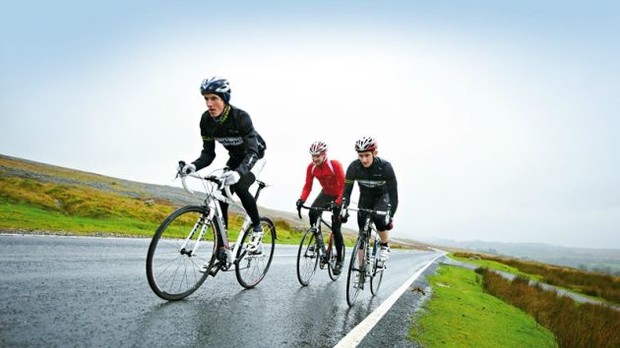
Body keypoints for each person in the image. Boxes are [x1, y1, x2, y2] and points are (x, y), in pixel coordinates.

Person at [179, 76, 267, 267]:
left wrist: (239, 173)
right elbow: (208, 154)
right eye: (206, 99)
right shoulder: (206, 121)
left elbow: (252, 151)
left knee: (240, 186)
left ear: (224, 99)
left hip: (256, 157)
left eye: (214, 98)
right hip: (235, 159)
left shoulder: (241, 117)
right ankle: (222, 249)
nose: (209, 104)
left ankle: (257, 228)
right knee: (219, 198)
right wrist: (193, 166)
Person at [340, 136, 398, 263]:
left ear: (375, 153)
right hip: (365, 198)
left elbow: (394, 196)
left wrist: (390, 215)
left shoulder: (385, 167)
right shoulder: (354, 167)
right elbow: (347, 191)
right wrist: (343, 208)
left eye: (367, 155)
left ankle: (384, 245)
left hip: (382, 197)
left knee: (379, 219)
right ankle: (360, 272)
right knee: (362, 232)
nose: (364, 159)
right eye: (360, 156)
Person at [296, 141, 346, 275]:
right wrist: (302, 199)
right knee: (313, 213)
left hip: (339, 196)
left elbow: (344, 186)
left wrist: (337, 202)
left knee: (336, 228)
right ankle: (320, 245)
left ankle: (340, 260)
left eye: (318, 156)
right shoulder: (311, 167)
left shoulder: (335, 165)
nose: (315, 159)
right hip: (325, 194)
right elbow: (308, 186)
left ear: (324, 154)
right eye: (313, 156)